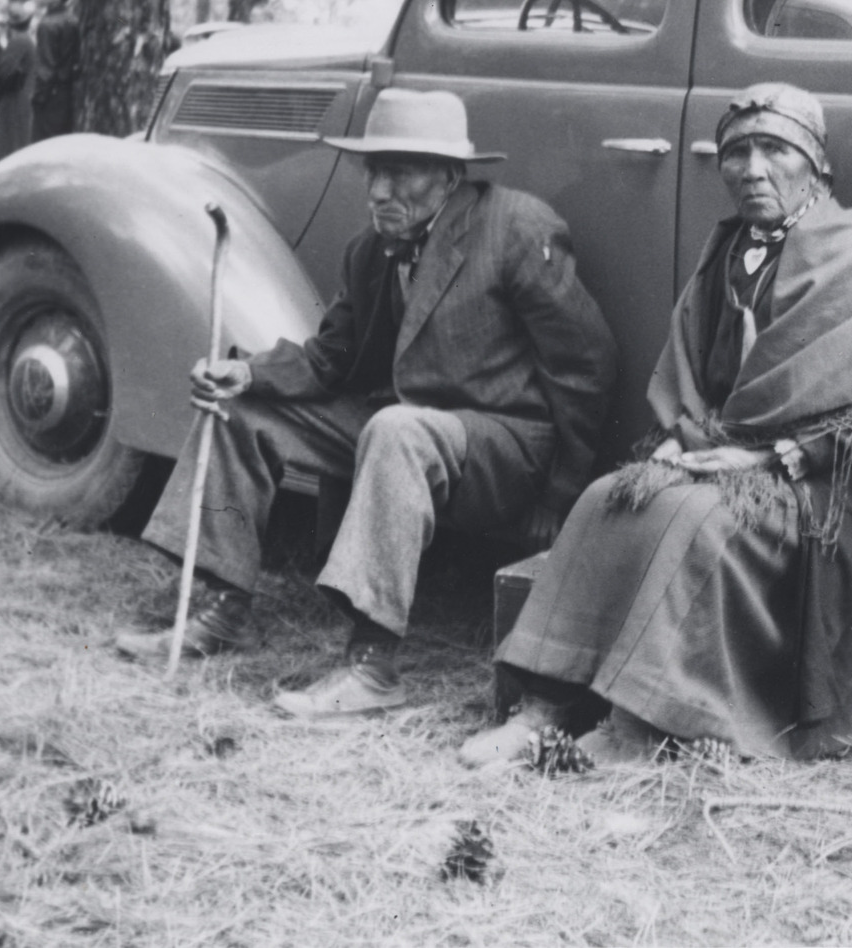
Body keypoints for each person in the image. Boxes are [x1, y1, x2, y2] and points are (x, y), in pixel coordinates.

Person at [112, 88, 619, 721]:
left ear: (450, 177)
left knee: (396, 427)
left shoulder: (515, 228)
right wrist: (245, 373)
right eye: (373, 170)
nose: (379, 189)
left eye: (400, 171)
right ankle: (222, 610)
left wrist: (560, 493)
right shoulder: (370, 252)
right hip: (401, 431)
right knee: (241, 411)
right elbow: (330, 362)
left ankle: (372, 666)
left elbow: (586, 362)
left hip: (502, 445)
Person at [459, 82, 852, 768]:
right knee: (607, 499)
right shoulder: (728, 250)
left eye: (774, 150)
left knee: (695, 523)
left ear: (815, 166)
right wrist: (684, 435)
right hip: (720, 450)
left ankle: (637, 725)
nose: (752, 170)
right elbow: (692, 372)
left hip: (816, 487)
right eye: (737, 153)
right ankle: (544, 706)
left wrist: (761, 460)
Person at [29, 0, 80, 143]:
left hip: (49, 101)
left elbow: (45, 70)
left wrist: (37, 98)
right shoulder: (72, 19)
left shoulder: (47, 25)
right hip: (66, 98)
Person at [0, 0, 36, 165]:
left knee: (5, 149)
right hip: (22, 100)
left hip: (14, 101)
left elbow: (2, 73)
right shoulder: (27, 40)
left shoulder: (18, 42)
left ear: (8, 25)